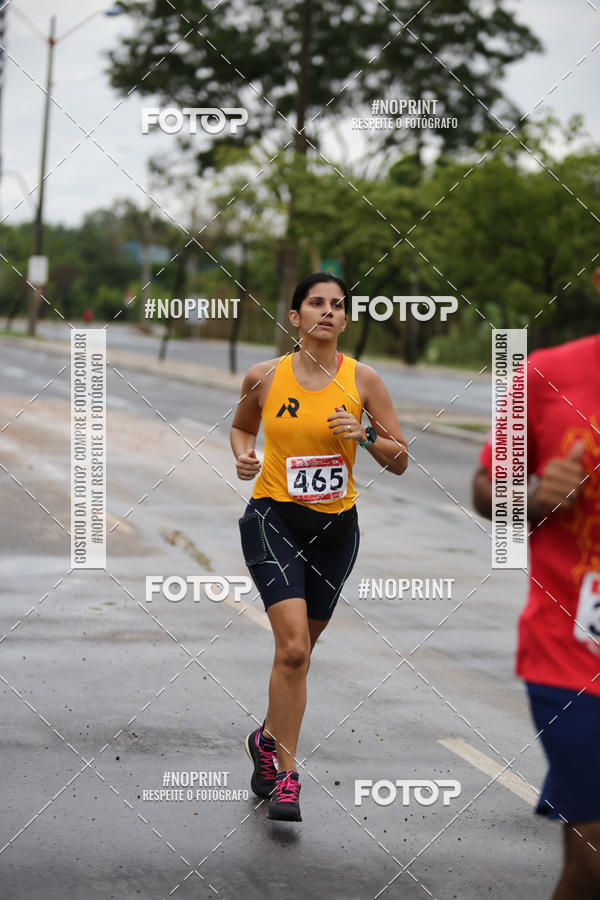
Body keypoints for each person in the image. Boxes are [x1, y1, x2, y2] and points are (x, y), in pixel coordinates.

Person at [230, 272, 408, 821]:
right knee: (293, 651)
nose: (327, 311)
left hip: (336, 531)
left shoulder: (365, 381)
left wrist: (366, 436)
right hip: (272, 519)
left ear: (346, 319)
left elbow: (400, 458)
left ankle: (264, 738)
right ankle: (287, 775)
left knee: (300, 655)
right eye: (316, 303)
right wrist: (243, 456)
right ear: (295, 316)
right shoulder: (264, 377)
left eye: (338, 304)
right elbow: (242, 428)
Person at [472, 316, 600, 899]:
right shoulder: (547, 375)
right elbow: (484, 486)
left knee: (585, 867)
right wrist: (530, 495)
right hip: (570, 657)